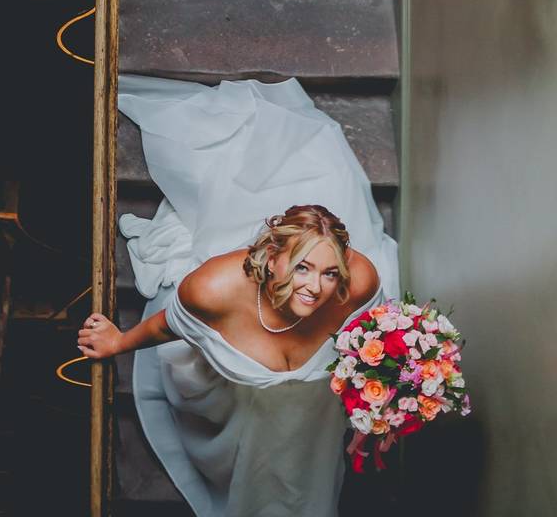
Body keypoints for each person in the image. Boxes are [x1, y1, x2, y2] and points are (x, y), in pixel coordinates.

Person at [79, 75, 400, 516]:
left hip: (309, 412)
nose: (314, 287)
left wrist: (384, 398)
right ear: (271, 260)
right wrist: (118, 342)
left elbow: (375, 338)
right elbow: (165, 325)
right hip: (232, 395)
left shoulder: (359, 282)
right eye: (302, 266)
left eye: (328, 273)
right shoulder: (211, 290)